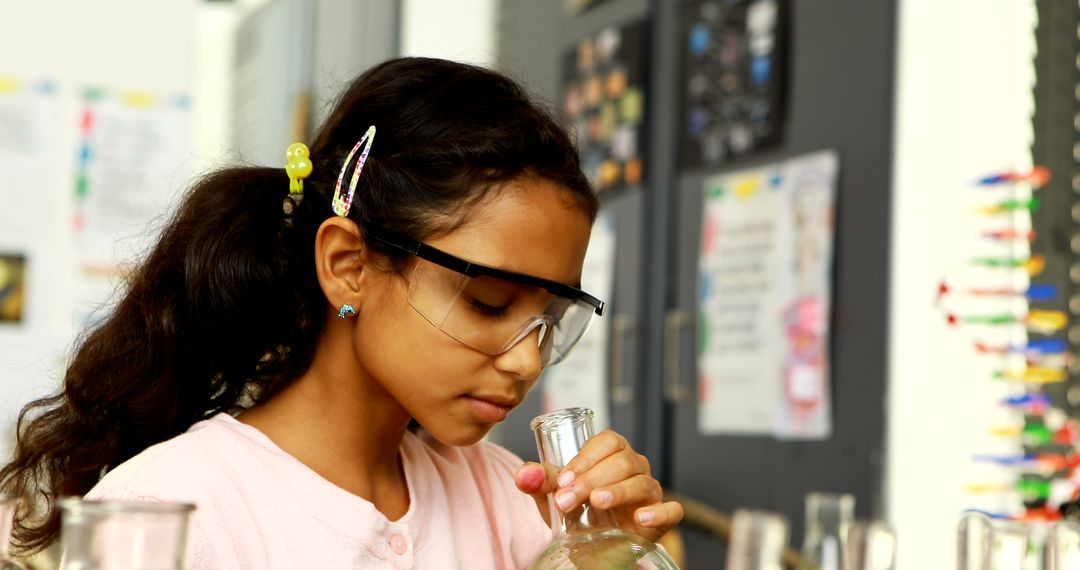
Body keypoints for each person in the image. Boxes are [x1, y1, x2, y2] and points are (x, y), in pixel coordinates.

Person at [0, 57, 683, 568]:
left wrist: (616, 555)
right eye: (489, 303)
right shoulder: (168, 508)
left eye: (551, 320)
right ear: (347, 265)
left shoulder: (521, 503)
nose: (528, 358)